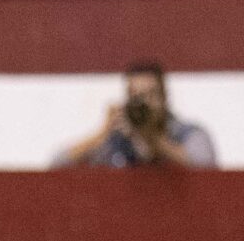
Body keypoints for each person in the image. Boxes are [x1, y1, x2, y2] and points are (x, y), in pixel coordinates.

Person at [53, 61, 218, 170]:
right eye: (136, 97)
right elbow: (58, 163)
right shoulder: (117, 140)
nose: (143, 104)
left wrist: (155, 141)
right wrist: (103, 133)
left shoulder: (186, 133)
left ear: (164, 97)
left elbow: (206, 167)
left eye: (150, 95)